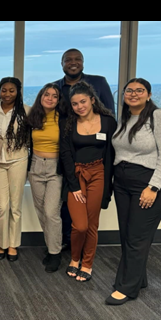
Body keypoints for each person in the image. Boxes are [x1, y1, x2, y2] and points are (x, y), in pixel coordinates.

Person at [107, 77, 161, 306]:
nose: (134, 94)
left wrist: (154, 187)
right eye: (129, 90)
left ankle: (126, 287)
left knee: (137, 237)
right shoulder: (126, 118)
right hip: (123, 183)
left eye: (140, 90)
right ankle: (138, 278)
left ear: (148, 95)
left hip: (147, 184)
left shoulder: (159, 117)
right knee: (127, 235)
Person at [53, 49, 115, 253]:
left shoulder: (99, 83)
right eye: (68, 60)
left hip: (95, 160)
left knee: (89, 212)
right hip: (67, 156)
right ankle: (68, 243)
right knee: (65, 204)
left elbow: (110, 116)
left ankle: (82, 252)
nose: (73, 63)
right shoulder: (55, 88)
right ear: (61, 63)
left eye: (77, 59)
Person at [62, 80, 117, 283]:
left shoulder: (108, 122)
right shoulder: (69, 123)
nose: (79, 107)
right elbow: (65, 154)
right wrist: (73, 185)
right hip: (76, 176)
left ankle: (87, 263)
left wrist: (108, 188)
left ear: (92, 100)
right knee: (80, 226)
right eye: (75, 104)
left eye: (83, 102)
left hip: (99, 174)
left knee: (92, 225)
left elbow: (112, 156)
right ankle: (74, 258)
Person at [0, 77, 31, 262]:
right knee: (1, 206)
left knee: (15, 206)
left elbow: (31, 136)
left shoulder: (26, 111)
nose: (7, 94)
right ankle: (1, 243)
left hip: (18, 159)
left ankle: (13, 244)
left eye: (11, 90)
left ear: (18, 92)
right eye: (4, 90)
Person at [27, 82, 67, 273]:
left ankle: (55, 252)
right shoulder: (34, 117)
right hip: (35, 166)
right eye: (46, 95)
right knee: (41, 210)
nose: (50, 98)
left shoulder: (64, 118)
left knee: (52, 212)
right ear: (40, 97)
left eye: (54, 96)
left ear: (59, 100)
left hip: (55, 169)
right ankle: (51, 244)